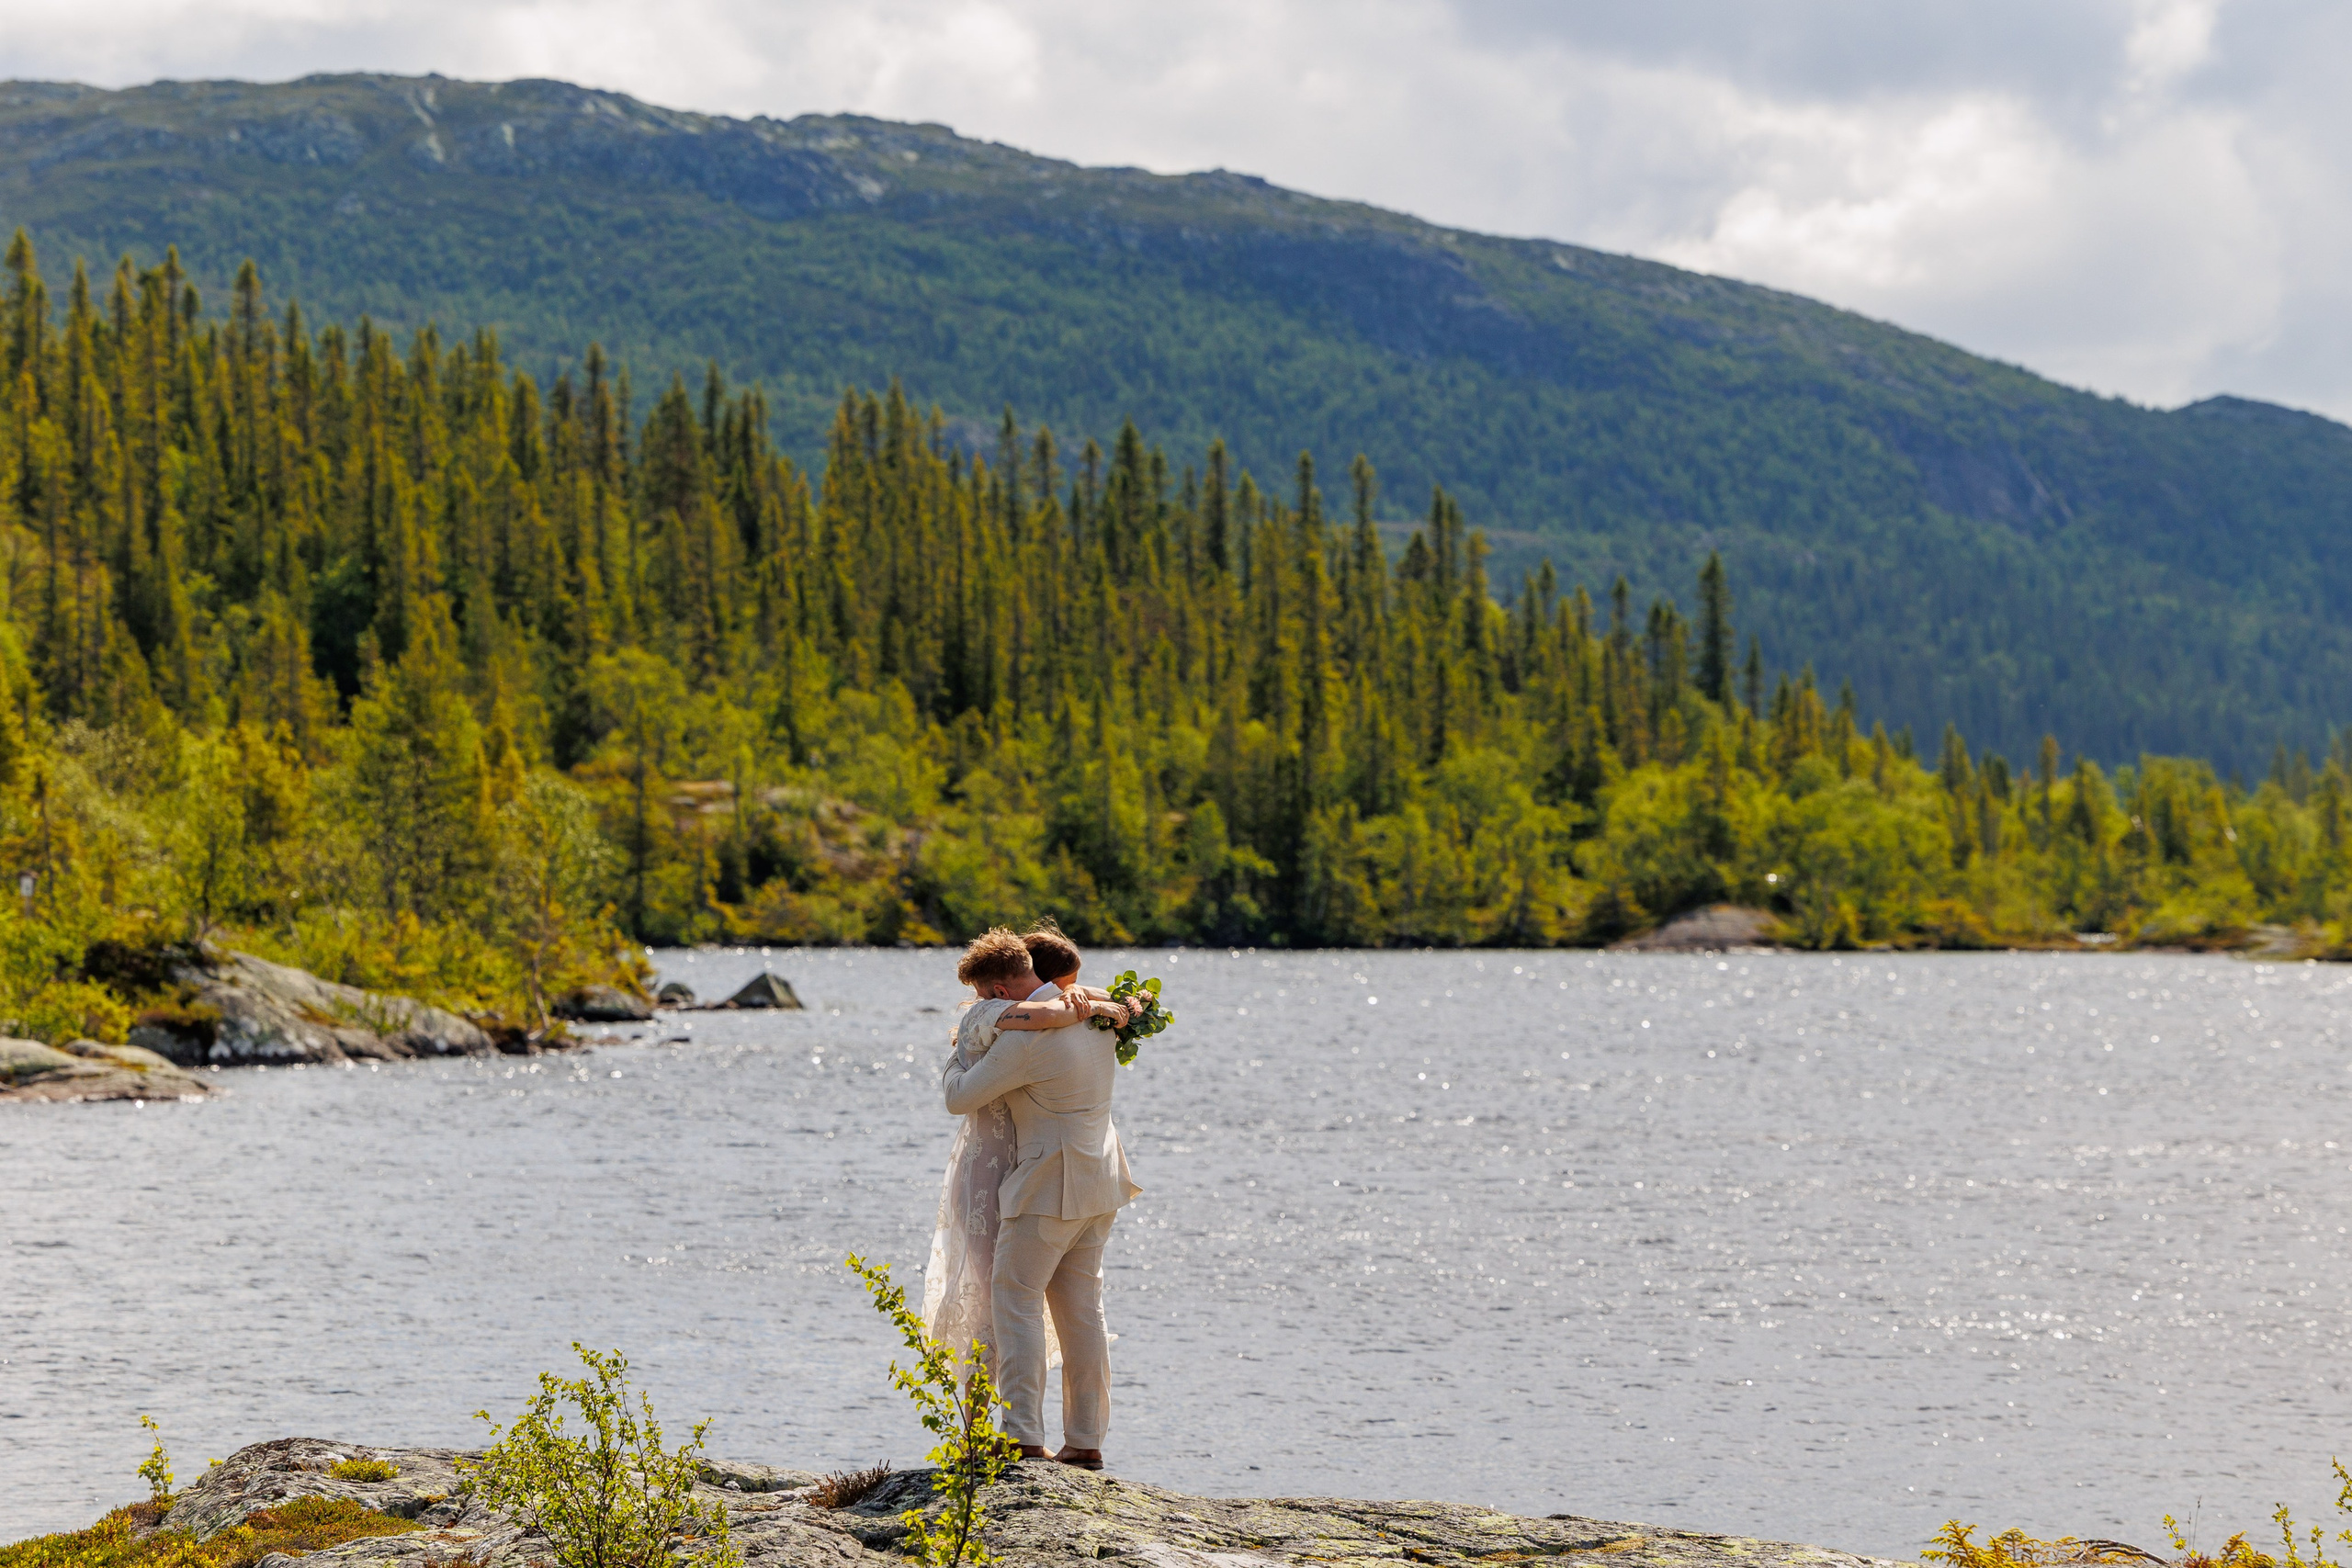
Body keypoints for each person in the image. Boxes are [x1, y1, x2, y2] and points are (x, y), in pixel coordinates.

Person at [938, 928, 1142, 1469]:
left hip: (1049, 1183)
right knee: (1083, 1314)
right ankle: (1086, 1441)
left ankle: (1022, 1434)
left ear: (1000, 990)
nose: (983, 1005)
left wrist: (958, 1056)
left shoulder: (1025, 1039)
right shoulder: (1098, 1016)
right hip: (1101, 1176)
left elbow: (959, 1099)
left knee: (1015, 1297)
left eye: (985, 998)